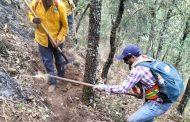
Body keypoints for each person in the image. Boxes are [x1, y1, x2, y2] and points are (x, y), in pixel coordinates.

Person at [94, 44, 172, 122]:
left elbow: (122, 89)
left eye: (125, 59)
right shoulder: (146, 60)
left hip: (158, 103)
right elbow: (151, 83)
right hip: (158, 100)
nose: (124, 62)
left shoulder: (138, 69)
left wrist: (104, 87)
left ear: (133, 57)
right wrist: (141, 93)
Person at [28, 0, 68, 92]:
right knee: (47, 61)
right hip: (42, 38)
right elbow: (30, 14)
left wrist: (59, 39)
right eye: (44, 0)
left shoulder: (60, 6)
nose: (46, 2)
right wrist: (33, 19)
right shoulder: (36, 3)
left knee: (59, 59)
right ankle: (52, 82)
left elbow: (65, 26)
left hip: (56, 39)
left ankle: (61, 76)